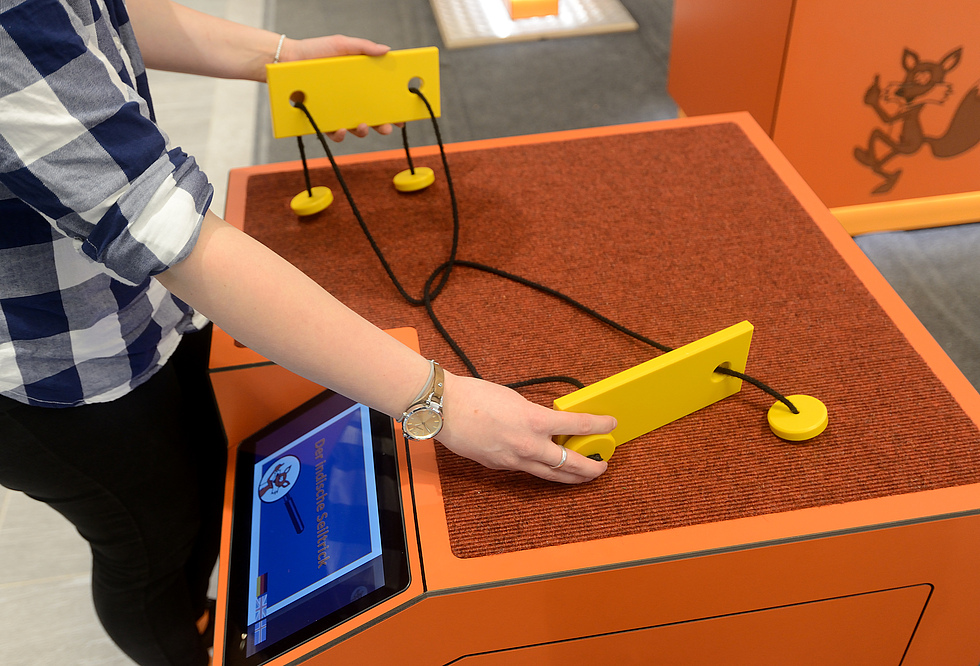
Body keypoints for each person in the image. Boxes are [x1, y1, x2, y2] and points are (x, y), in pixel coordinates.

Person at [0, 0, 616, 664]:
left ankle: (205, 613)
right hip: (45, 365)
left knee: (205, 483)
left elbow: (91, 14)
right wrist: (441, 402)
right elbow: (163, 232)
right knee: (150, 542)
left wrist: (281, 56)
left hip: (122, 304)